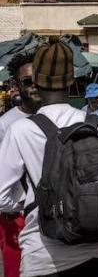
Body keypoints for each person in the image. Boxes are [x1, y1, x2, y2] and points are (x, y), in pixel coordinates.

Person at [0, 37, 98, 277]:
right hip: (97, 253)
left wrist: (31, 201)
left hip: (44, 256)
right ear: (73, 80)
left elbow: (1, 197)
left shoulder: (22, 130)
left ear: (37, 81)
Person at [0, 52, 40, 277]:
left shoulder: (53, 117)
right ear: (16, 85)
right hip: (15, 215)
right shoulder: (5, 125)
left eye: (37, 80)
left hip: (51, 213)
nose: (34, 86)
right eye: (27, 81)